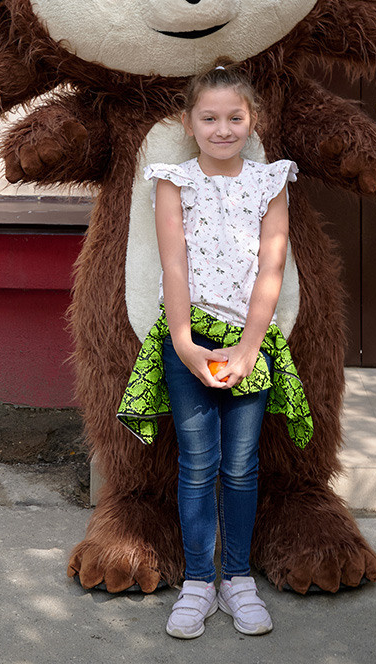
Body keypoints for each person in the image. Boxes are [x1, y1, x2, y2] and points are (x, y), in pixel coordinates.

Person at [119, 60, 311, 638]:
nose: (222, 129)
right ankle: (199, 583)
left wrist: (253, 347)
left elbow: (271, 269)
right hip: (190, 340)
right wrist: (184, 344)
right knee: (198, 466)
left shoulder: (270, 181)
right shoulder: (174, 182)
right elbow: (172, 266)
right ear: (190, 122)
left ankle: (237, 579)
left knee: (242, 467)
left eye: (234, 117)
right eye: (210, 118)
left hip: (250, 343)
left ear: (252, 121)